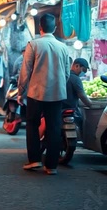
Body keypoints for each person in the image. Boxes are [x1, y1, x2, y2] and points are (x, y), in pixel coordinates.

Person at [17, 13, 70, 175]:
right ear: (54, 28)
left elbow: (25, 71)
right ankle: (51, 166)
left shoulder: (33, 45)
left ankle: (34, 160)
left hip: (36, 93)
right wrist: (60, 86)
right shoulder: (63, 47)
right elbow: (67, 73)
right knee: (54, 127)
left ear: (40, 28)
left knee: (32, 125)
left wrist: (21, 91)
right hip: (56, 94)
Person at [62, 58, 93, 130]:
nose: (83, 73)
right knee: (81, 123)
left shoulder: (63, 76)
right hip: (71, 109)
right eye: (83, 70)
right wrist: (90, 104)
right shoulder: (76, 79)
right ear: (77, 66)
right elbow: (82, 96)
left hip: (60, 108)